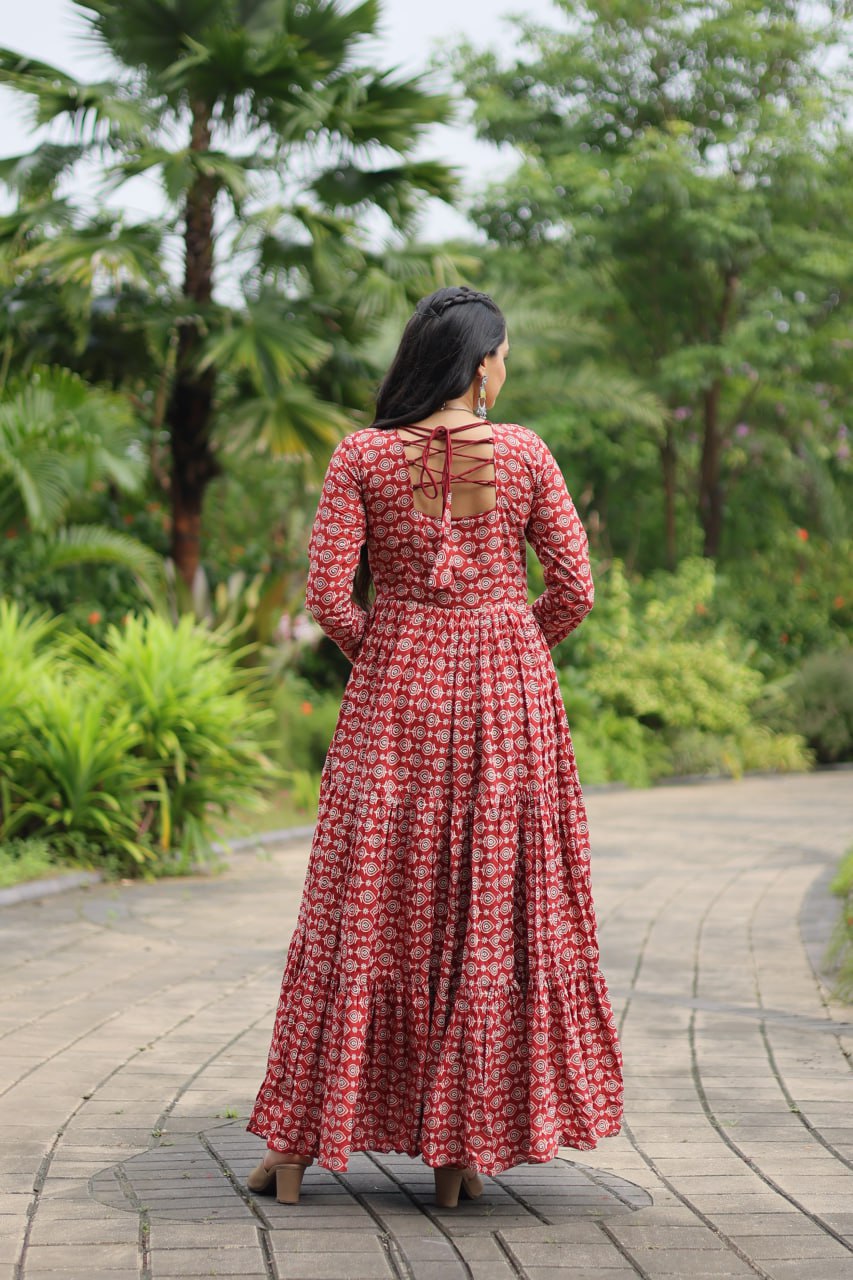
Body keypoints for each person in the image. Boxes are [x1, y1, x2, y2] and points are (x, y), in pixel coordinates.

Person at [246, 285, 623, 1208]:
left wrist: (394, 653)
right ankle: (462, 1150)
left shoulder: (361, 456)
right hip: (507, 700)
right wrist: (510, 639)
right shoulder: (526, 452)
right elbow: (573, 586)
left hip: (394, 699)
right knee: (490, 910)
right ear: (480, 365)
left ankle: (295, 1146)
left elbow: (331, 596)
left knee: (366, 898)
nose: (507, 368)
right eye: (503, 355)